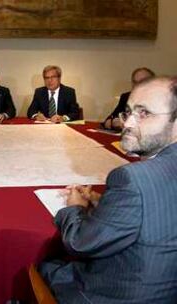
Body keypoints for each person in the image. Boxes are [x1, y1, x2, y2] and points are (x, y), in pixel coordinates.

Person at [40, 77, 177, 303]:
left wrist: (75, 208)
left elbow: (79, 243)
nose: (128, 124)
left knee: (44, 264)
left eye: (144, 113)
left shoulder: (133, 178)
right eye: (128, 112)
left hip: (113, 294)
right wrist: (102, 200)